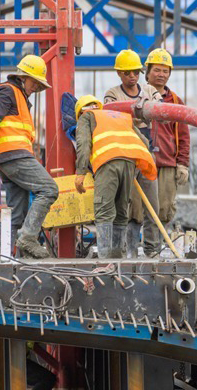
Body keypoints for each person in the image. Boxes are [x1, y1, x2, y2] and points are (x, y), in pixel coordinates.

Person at [0, 54, 59, 259]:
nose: (36, 89)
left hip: (8, 160)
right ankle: (28, 237)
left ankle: (6, 257)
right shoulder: (8, 91)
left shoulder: (20, 99)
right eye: (35, 84)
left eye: (39, 86)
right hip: (14, 157)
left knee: (16, 214)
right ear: (23, 77)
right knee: (49, 189)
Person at [73, 95, 157, 258]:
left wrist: (80, 173)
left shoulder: (86, 117)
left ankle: (104, 259)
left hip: (107, 163)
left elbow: (83, 144)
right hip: (129, 164)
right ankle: (118, 257)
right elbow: (145, 143)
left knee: (103, 209)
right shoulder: (121, 117)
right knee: (121, 211)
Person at [104, 49, 160, 256]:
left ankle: (153, 249)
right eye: (127, 73)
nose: (132, 76)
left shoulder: (149, 90)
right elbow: (112, 115)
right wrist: (138, 111)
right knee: (122, 203)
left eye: (135, 72)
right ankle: (120, 249)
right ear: (119, 74)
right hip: (124, 154)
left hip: (145, 153)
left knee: (153, 203)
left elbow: (159, 109)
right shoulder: (113, 94)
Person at [143, 47, 190, 255]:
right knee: (136, 209)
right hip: (142, 162)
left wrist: (182, 163)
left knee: (163, 208)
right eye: (157, 70)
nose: (161, 75)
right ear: (148, 71)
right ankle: (133, 249)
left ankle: (155, 250)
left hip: (167, 163)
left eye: (165, 71)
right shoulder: (138, 95)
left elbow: (183, 134)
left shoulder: (176, 102)